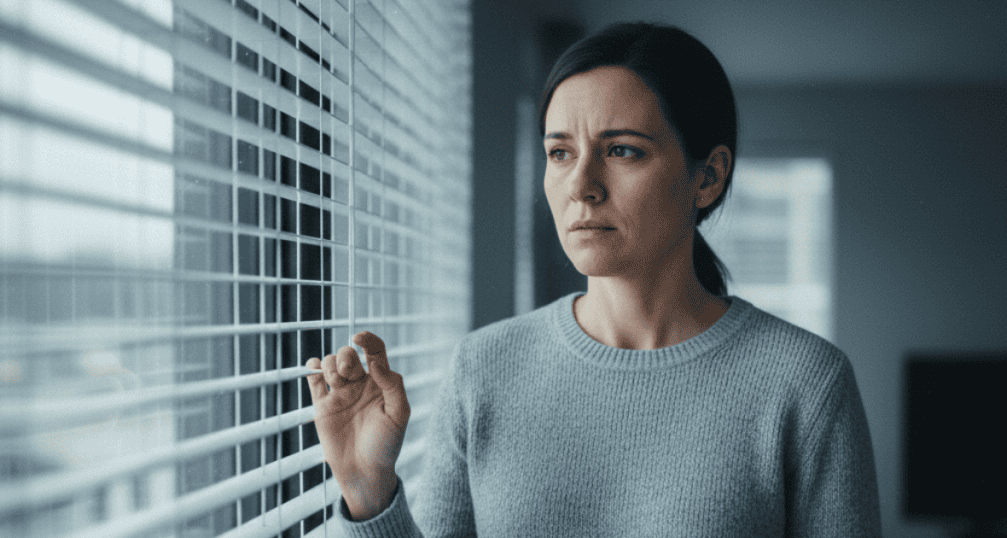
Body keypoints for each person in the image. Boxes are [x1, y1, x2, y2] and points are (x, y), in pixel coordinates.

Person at [306, 21, 881, 537]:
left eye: (623, 150)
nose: (582, 184)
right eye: (560, 153)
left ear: (707, 177)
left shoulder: (805, 383)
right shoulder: (482, 368)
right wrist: (367, 492)